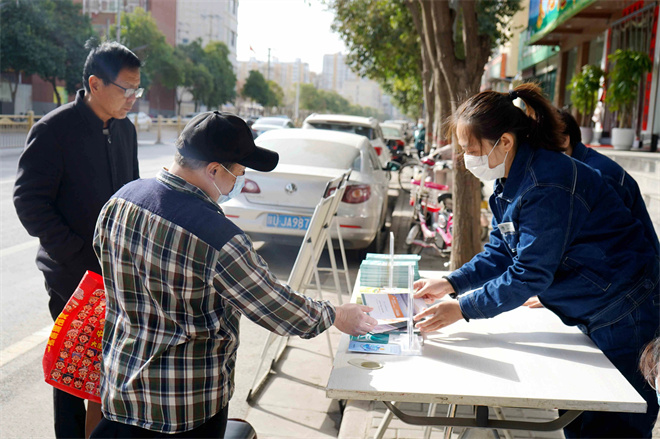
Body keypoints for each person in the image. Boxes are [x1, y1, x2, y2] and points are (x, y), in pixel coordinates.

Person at [90, 111, 377, 438]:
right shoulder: (218, 237)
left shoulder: (121, 201)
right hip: (184, 407)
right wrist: (337, 314)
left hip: (120, 389)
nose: (237, 182)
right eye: (238, 173)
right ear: (214, 170)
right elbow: (276, 307)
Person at [412, 83, 659, 438]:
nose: (467, 159)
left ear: (505, 142)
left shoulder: (546, 184)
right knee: (583, 420)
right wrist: (451, 283)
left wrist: (462, 309)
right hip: (599, 307)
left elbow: (528, 274)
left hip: (625, 311)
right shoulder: (511, 179)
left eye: (471, 149)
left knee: (612, 427)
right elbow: (501, 250)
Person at [13, 41, 142, 438]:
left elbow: (133, 195)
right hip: (72, 279)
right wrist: (75, 253)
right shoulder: (53, 130)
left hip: (117, 278)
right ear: (94, 83)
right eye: (126, 90)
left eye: (138, 91)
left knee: (111, 374)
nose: (132, 100)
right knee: (71, 378)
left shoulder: (126, 131)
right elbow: (29, 202)